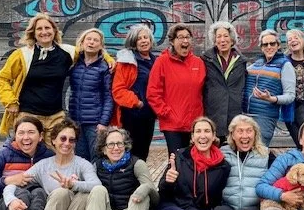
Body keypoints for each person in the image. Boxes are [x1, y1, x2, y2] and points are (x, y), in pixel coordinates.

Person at [3, 118, 101, 210]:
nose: (67, 143)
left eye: (72, 140)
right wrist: (11, 200)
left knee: (85, 195)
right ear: (54, 140)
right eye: (63, 138)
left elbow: (97, 185)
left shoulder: (82, 164)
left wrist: (73, 185)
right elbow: (14, 184)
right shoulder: (43, 166)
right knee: (60, 193)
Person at [0, 14, 74, 145]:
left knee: (55, 153)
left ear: (54, 30)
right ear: (33, 33)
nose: (44, 32)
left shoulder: (68, 52)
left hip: (56, 117)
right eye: (39, 29)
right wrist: (10, 102)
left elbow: (93, 50)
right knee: (28, 154)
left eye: (47, 28)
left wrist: (108, 60)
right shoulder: (23, 54)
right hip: (28, 116)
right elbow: (1, 79)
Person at [147, 23, 206, 155]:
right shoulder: (162, 62)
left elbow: (205, 92)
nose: (185, 41)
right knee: (177, 161)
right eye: (180, 37)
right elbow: (153, 93)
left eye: (187, 37)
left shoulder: (198, 63)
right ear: (172, 41)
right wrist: (167, 113)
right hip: (173, 125)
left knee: (195, 160)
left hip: (195, 124)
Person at [111, 24, 157, 161]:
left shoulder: (155, 61)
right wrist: (137, 103)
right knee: (130, 153)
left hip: (149, 116)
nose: (143, 41)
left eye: (145, 37)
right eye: (139, 39)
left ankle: (139, 175)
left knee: (143, 153)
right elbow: (118, 90)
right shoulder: (126, 62)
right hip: (131, 115)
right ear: (133, 42)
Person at [243, 29, 295, 146]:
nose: (269, 47)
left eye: (272, 43)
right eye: (265, 44)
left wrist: (271, 99)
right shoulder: (256, 64)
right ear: (261, 47)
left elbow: (290, 96)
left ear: (278, 45)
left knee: (259, 152)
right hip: (245, 116)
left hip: (265, 118)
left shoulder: (285, 65)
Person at [68, 28, 114, 161]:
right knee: (80, 158)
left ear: (101, 46)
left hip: (95, 123)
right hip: (76, 121)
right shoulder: (74, 64)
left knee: (97, 157)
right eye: (88, 39)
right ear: (82, 43)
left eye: (95, 40)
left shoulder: (104, 68)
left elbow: (108, 97)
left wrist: (103, 122)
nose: (91, 42)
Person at [202, 21, 247, 144]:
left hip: (234, 114)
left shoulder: (241, 62)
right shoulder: (206, 60)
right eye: (219, 36)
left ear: (232, 40)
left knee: (234, 148)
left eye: (226, 36)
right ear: (214, 40)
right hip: (213, 113)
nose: (222, 40)